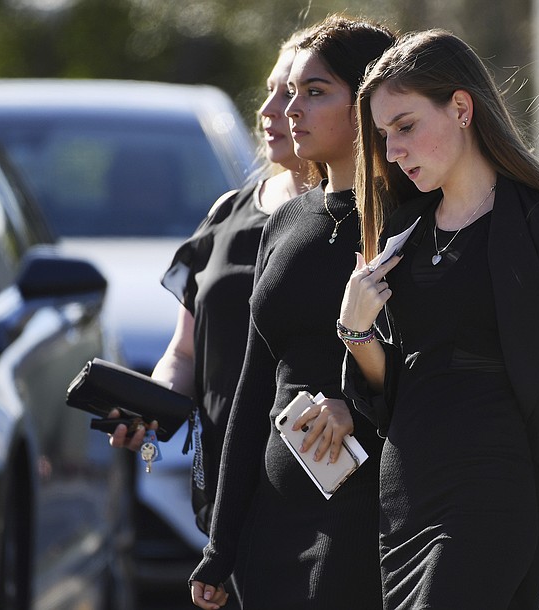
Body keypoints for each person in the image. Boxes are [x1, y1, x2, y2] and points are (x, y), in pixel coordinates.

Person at [339, 30, 539, 610]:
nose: (392, 150)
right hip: (407, 492)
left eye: (405, 126)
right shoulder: (406, 233)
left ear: (462, 108)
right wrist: (355, 330)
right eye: (382, 135)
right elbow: (390, 389)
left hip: (495, 488)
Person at [189, 15, 396, 610]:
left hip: (367, 523)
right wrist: (221, 544)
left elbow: (437, 371)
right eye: (289, 92)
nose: (291, 109)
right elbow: (254, 391)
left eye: (315, 91)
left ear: (368, 102)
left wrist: (356, 403)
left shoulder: (413, 225)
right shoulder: (284, 222)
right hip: (272, 528)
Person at [108, 29, 319, 533]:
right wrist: (148, 405)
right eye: (270, 90)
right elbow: (184, 355)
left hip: (316, 497)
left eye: (293, 93)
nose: (270, 109)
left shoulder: (364, 221)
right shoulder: (228, 214)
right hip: (223, 495)